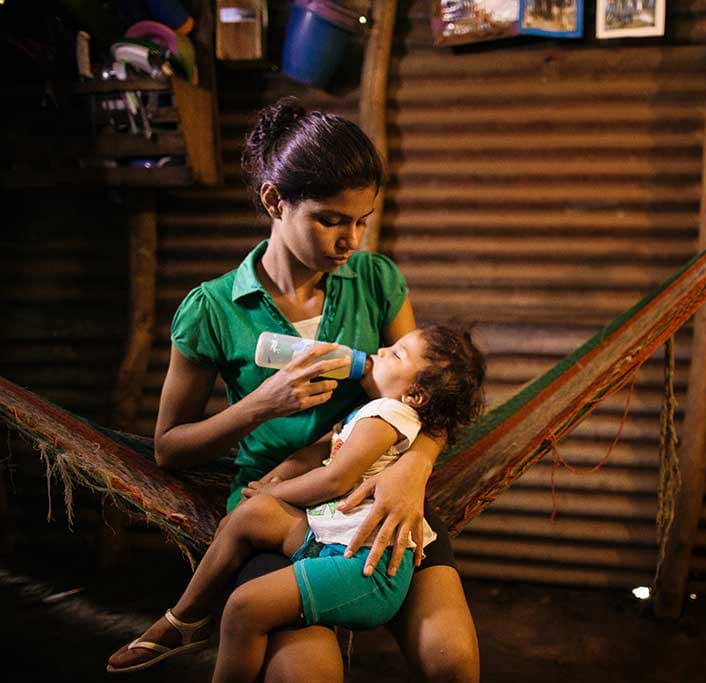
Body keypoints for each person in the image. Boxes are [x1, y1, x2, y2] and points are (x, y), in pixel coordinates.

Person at [105, 97, 483, 682]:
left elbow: (427, 398)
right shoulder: (211, 310)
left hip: (381, 494)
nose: (350, 240)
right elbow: (169, 449)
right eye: (331, 219)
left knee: (452, 661)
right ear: (274, 201)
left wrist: (413, 472)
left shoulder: (377, 282)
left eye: (362, 220)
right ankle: (184, 621)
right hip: (283, 503)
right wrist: (261, 406)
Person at [107, 325, 486, 680]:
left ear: (415, 396)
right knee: (248, 517)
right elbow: (331, 451)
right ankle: (184, 620)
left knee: (244, 607)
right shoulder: (377, 411)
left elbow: (336, 477)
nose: (382, 349)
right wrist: (278, 475)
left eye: (397, 354)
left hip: (364, 566)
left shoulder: (388, 412)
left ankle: (194, 623)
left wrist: (272, 491)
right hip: (335, 536)